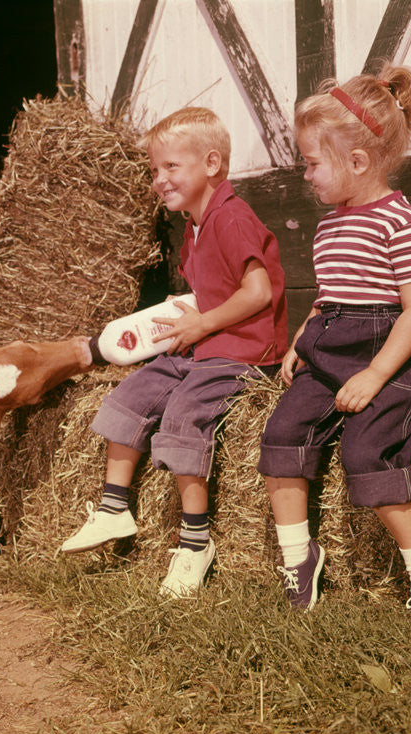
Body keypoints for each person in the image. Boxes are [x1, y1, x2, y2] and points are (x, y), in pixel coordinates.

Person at [60, 107, 288, 599]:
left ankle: (194, 543)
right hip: (204, 343)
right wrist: (179, 313)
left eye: (170, 167)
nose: (159, 180)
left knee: (184, 415)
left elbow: (258, 293)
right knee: (131, 394)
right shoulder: (194, 224)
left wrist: (202, 322)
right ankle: (113, 508)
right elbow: (211, 290)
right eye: (153, 171)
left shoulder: (232, 218)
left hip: (243, 351)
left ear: (211, 164)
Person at [258, 65, 411, 618]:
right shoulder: (330, 226)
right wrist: (301, 339)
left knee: (366, 451)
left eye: (313, 163)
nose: (307, 176)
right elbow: (329, 297)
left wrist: (375, 375)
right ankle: (299, 558)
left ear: (358, 161)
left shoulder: (402, 222)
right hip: (329, 345)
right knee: (281, 436)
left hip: (386, 350)